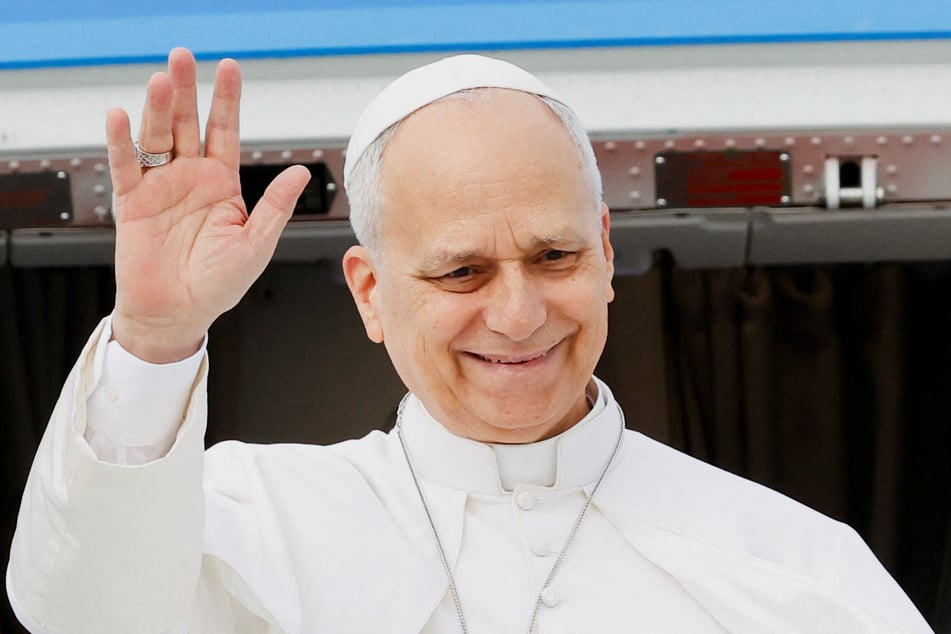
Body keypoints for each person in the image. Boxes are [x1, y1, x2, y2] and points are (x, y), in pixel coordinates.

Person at [5, 47, 933, 633]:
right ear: (370, 294)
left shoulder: (796, 566)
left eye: (554, 255)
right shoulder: (249, 521)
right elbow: (83, 612)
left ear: (606, 252)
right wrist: (157, 337)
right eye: (461, 273)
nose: (519, 314)